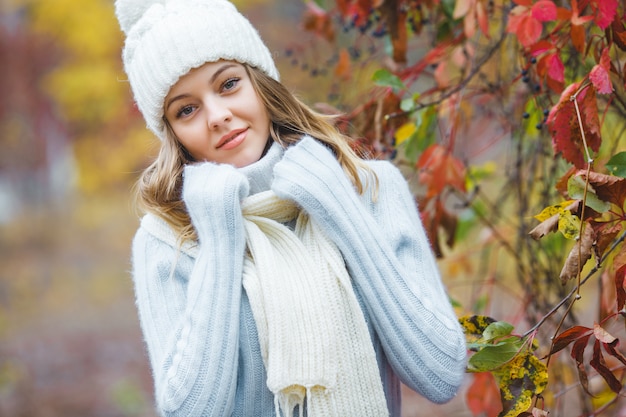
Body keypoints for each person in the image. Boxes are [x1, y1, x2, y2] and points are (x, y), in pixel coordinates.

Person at [115, 0, 467, 416]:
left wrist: (341, 210)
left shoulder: (367, 188)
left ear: (260, 82)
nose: (218, 116)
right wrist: (221, 243)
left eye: (228, 84)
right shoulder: (167, 240)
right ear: (171, 131)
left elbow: (440, 372)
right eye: (186, 109)